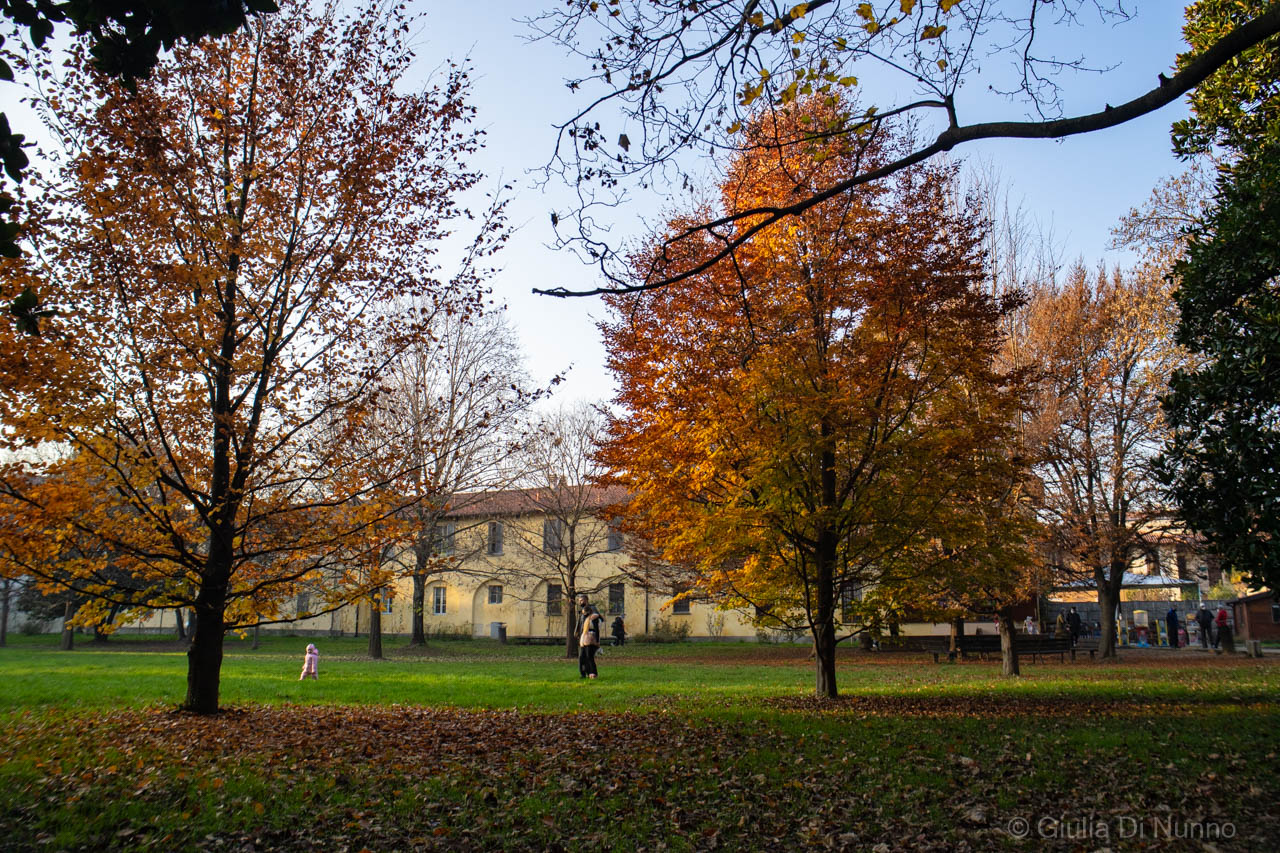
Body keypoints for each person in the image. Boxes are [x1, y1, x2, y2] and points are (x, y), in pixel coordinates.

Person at [577, 599, 603, 678]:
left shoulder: (593, 618)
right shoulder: (584, 617)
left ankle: (593, 673)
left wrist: (597, 641)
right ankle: (584, 673)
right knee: (582, 657)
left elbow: (597, 630)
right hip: (584, 638)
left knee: (589, 657)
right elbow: (581, 626)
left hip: (591, 639)